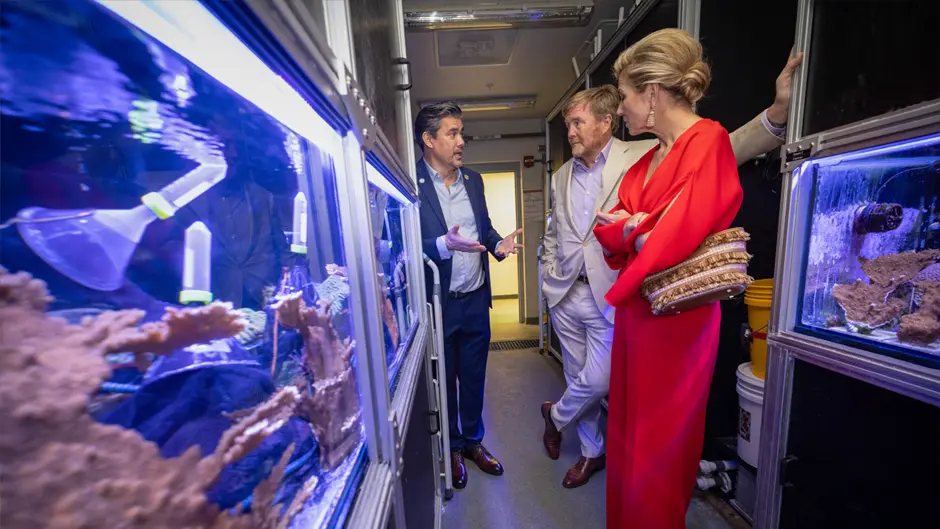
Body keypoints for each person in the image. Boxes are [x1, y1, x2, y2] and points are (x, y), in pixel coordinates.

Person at [539, 51, 802, 489]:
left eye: (578, 123)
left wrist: (775, 117)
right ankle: (590, 452)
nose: (570, 133)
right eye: (567, 124)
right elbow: (556, 231)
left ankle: (556, 414)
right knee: (576, 373)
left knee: (601, 380)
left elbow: (725, 147)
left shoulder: (645, 150)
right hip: (566, 291)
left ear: (605, 123)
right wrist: (550, 276)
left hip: (621, 290)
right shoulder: (560, 175)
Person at [590, 28, 783, 528]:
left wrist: (634, 230)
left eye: (627, 96)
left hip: (676, 322)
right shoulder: (653, 156)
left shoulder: (708, 140)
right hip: (639, 316)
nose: (624, 110)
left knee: (658, 453)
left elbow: (671, 236)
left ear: (652, 92)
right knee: (629, 437)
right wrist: (636, 231)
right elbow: (610, 230)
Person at [416, 102, 523, 489]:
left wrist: (498, 246)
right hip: (439, 305)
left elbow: (485, 230)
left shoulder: (473, 181)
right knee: (443, 380)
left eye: (462, 132)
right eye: (452, 133)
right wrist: (444, 245)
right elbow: (403, 243)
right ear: (429, 140)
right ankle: (452, 449)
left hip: (476, 300)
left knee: (474, 378)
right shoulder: (412, 184)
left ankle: (473, 442)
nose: (462, 141)